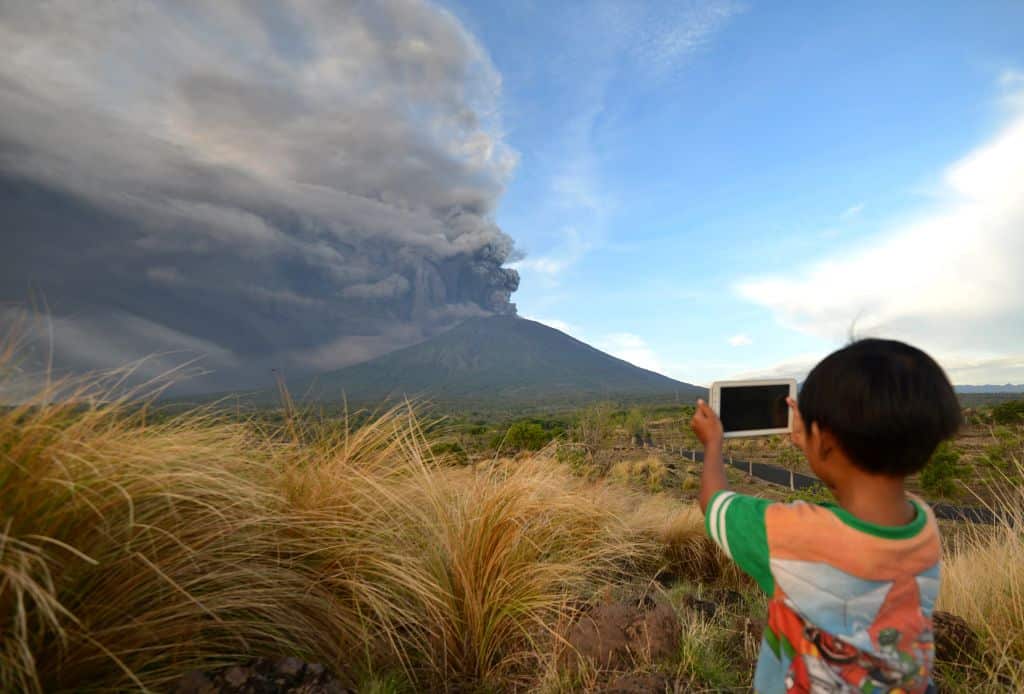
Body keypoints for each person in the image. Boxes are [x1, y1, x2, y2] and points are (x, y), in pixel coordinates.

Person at [690, 339, 960, 693]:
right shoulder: (922, 526)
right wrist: (818, 445)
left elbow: (714, 502)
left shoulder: (789, 534)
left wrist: (713, 445)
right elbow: (860, 489)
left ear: (825, 439)